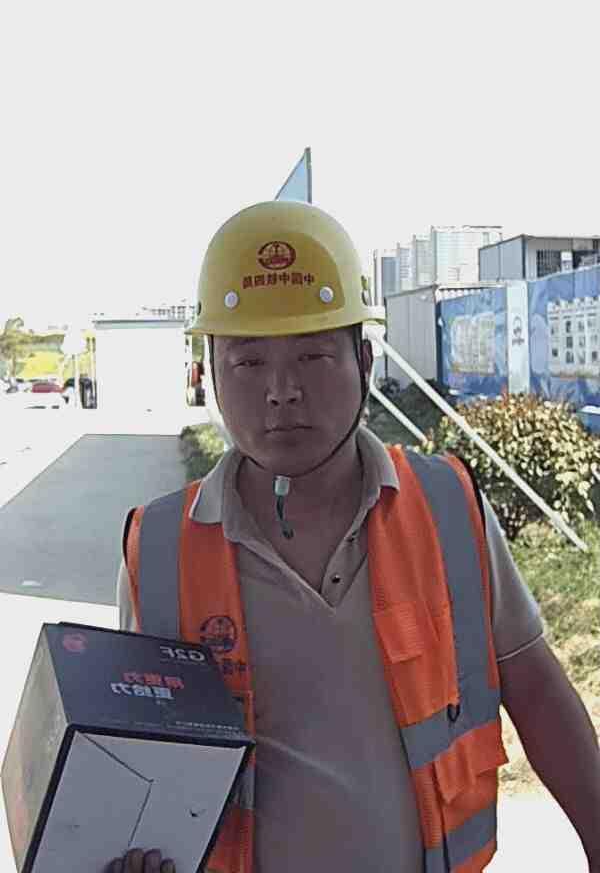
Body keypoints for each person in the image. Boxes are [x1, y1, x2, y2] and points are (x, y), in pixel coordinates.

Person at [112, 201, 600, 873]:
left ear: (364, 360)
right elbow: (134, 758)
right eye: (248, 362)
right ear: (211, 372)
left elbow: (535, 685)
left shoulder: (446, 506)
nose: (282, 391)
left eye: (312, 355)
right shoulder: (161, 550)